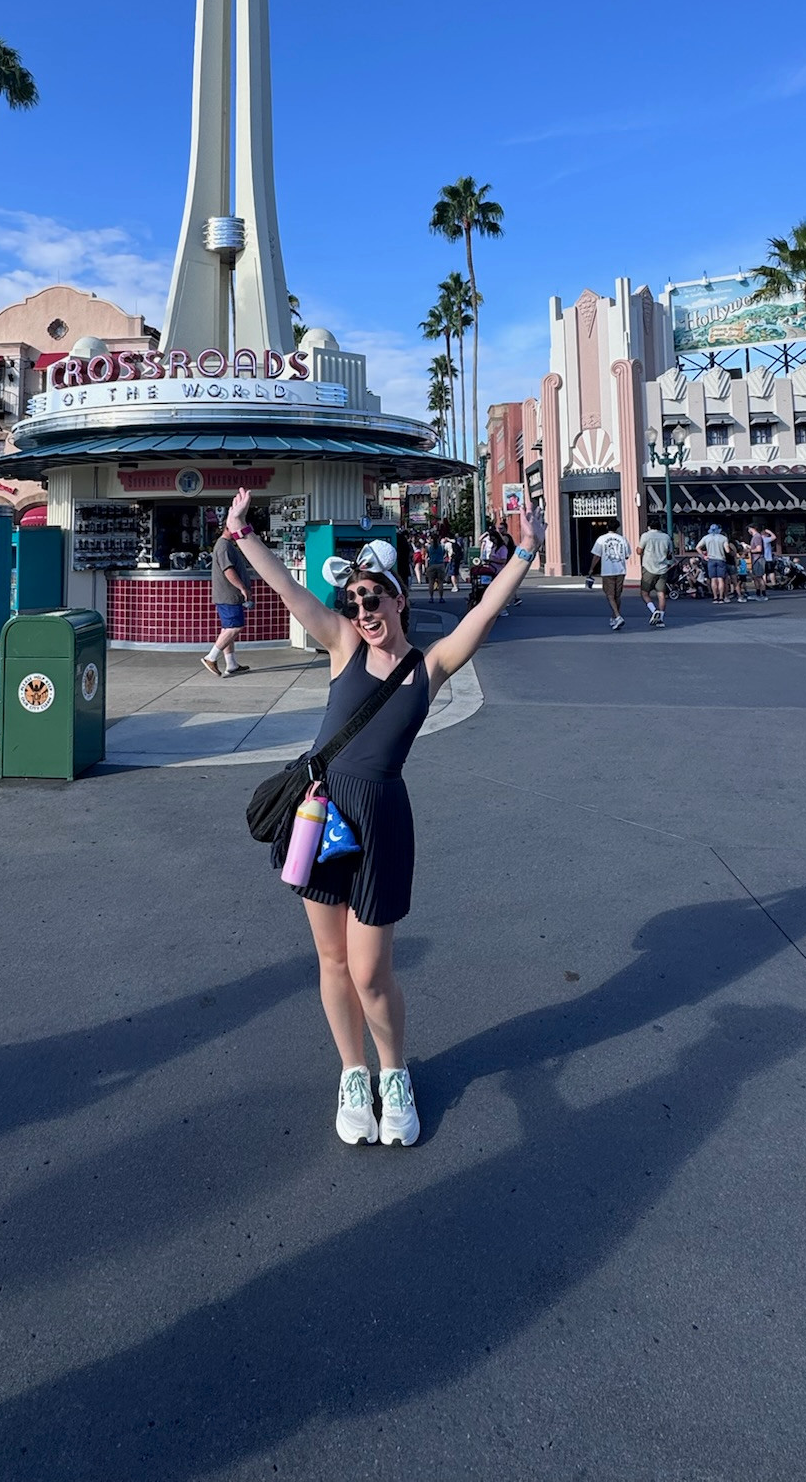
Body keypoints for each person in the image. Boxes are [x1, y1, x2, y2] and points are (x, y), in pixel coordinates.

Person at [221, 482, 546, 1147]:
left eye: (376, 599)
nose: (365, 610)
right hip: (319, 816)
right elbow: (291, 593)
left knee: (370, 970)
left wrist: (528, 551)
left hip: (383, 821)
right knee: (333, 962)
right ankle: (352, 1073)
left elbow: (483, 611)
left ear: (400, 599)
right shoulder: (341, 645)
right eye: (357, 601)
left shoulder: (431, 667)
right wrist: (242, 534)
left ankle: (392, 1073)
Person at [203, 525, 252, 677]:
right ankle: (211, 657)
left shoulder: (225, 545)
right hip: (228, 595)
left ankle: (231, 664)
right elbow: (228, 570)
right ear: (228, 528)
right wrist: (242, 587)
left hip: (225, 595)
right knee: (235, 627)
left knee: (227, 629)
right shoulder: (224, 546)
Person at [634, 519, 672, 627]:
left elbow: (639, 551)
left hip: (649, 567)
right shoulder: (666, 537)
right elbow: (669, 554)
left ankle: (654, 610)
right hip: (663, 568)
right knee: (661, 594)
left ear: (649, 526)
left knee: (644, 593)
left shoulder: (646, 536)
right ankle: (661, 618)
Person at [593, 526, 632, 629]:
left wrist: (591, 569)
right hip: (620, 570)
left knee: (610, 595)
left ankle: (618, 616)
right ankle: (614, 617)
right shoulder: (622, 539)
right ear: (617, 527)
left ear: (607, 527)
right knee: (617, 595)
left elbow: (597, 555)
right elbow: (627, 555)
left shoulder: (601, 539)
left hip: (608, 571)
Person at [696, 524, 730, 600]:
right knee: (721, 579)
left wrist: (704, 556)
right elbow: (727, 550)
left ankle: (715, 597)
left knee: (713, 579)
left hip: (711, 559)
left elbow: (697, 547)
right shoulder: (723, 538)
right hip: (721, 559)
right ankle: (721, 597)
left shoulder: (706, 537)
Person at [425, 531, 447, 602]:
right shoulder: (441, 547)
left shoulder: (429, 547)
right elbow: (444, 554)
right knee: (440, 582)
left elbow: (427, 556)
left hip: (432, 565)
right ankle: (441, 598)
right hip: (440, 564)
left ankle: (431, 598)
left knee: (431, 582)